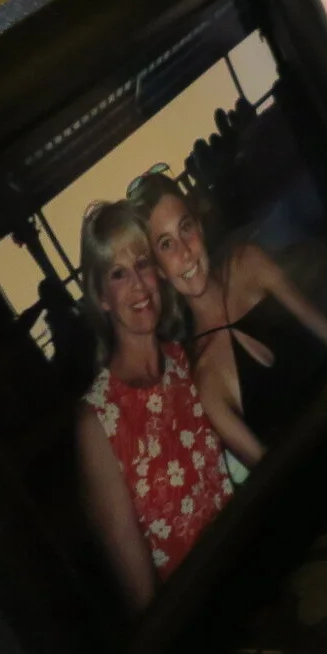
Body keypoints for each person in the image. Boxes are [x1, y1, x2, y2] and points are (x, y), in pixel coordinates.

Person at [72, 202, 236, 614]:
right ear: (101, 296)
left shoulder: (187, 360)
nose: (138, 286)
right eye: (118, 273)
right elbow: (145, 601)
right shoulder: (98, 423)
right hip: (201, 615)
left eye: (142, 263)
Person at [129, 170, 327, 461]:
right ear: (157, 270)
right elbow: (270, 477)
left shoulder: (249, 264)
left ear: (200, 228)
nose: (185, 252)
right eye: (166, 244)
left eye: (186, 228)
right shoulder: (205, 379)